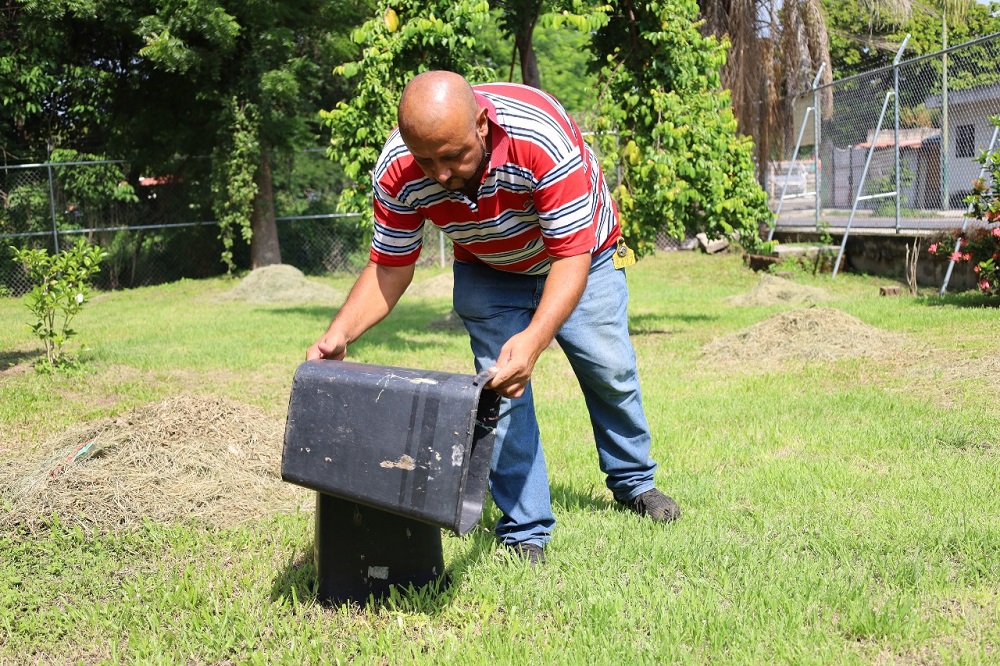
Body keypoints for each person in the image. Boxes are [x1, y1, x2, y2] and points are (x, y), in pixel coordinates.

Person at [306, 70, 680, 564]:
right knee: (500, 395)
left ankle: (634, 483)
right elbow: (390, 267)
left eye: (452, 156)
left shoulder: (540, 135)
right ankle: (525, 529)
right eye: (426, 159)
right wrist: (339, 332)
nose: (439, 174)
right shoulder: (398, 169)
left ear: (482, 124)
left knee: (610, 371)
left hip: (580, 257)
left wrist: (534, 339)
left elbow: (570, 256)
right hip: (487, 267)